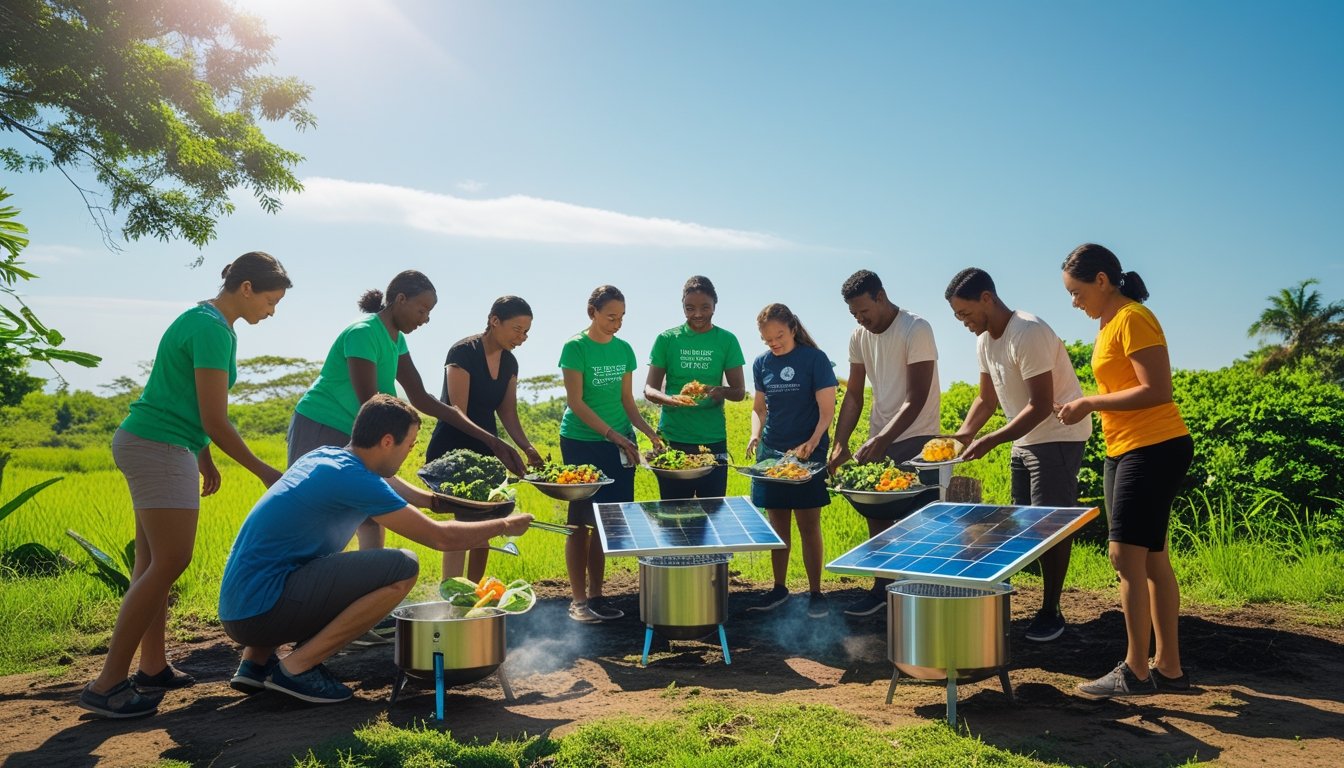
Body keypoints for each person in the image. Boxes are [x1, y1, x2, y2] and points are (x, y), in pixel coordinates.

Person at [78, 252, 291, 719]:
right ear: (248, 288)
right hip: (159, 445)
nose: (272, 311)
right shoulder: (212, 329)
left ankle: (152, 668)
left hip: (159, 440)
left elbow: (185, 400)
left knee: (153, 561)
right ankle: (106, 684)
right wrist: (262, 469)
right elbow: (214, 417)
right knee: (172, 560)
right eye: (272, 300)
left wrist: (204, 455)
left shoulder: (208, 321)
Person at [218, 395, 533, 704]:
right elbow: (441, 538)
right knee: (402, 567)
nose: (409, 453)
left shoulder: (329, 457)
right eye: (409, 446)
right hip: (260, 613)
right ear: (386, 441)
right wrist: (504, 526)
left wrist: (435, 501)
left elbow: (390, 481)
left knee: (309, 561)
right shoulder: (355, 480)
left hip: (242, 606)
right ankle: (296, 668)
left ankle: (255, 663)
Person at [289, 270, 525, 552]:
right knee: (317, 515)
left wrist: (492, 440)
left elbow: (422, 398)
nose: (425, 319)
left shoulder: (396, 339)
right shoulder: (363, 333)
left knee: (372, 517)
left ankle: (369, 580)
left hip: (360, 431)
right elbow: (372, 405)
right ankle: (301, 584)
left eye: (429, 313)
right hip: (323, 424)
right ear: (400, 299)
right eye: (422, 309)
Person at [1056, 243, 1193, 697]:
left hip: (1152, 446)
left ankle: (1135, 671)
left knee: (1125, 557)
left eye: (1076, 292)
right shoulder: (1108, 323)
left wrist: (1090, 403)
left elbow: (1158, 390)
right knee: (1151, 559)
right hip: (1126, 447)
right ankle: (1168, 668)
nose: (1074, 302)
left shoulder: (1133, 318)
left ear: (1101, 280)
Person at [944, 267, 1093, 642]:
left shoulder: (1027, 331)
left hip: (1058, 434)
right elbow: (986, 397)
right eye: (957, 316)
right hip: (1024, 439)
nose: (963, 322)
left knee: (1049, 526)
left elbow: (1042, 404)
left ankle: (1051, 611)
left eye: (965, 313)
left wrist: (992, 439)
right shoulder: (984, 341)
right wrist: (962, 435)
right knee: (1020, 524)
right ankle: (1014, 603)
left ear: (987, 299)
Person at [827, 270, 941, 619]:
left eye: (865, 311)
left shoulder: (915, 328)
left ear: (881, 296)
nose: (861, 319)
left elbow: (917, 396)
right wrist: (840, 443)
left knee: (918, 523)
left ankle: (920, 597)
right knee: (878, 514)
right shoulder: (859, 336)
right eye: (854, 315)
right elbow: (855, 396)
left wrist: (882, 438)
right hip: (883, 434)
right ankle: (881, 589)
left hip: (918, 438)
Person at [559, 285, 663, 623]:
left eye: (621, 318)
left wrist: (649, 434)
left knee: (605, 521)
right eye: (610, 317)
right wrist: (611, 434)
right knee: (580, 522)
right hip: (581, 441)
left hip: (620, 441)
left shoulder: (624, 350)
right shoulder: (575, 348)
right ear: (592, 312)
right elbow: (577, 402)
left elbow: (627, 402)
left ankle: (597, 596)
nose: (616, 324)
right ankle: (578, 601)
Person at [425, 296, 543, 582]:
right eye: (517, 329)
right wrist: (497, 444)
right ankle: (450, 593)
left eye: (526, 331)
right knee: (464, 523)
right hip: (454, 448)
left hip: (489, 448)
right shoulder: (463, 352)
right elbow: (457, 413)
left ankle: (472, 593)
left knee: (487, 524)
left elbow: (507, 411)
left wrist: (526, 447)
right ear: (494, 321)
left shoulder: (510, 362)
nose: (522, 337)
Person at [746, 303, 838, 619]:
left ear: (793, 329)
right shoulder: (762, 363)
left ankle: (815, 593)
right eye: (767, 339)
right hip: (772, 454)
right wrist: (755, 435)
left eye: (779, 336)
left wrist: (813, 442)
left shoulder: (815, 360)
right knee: (777, 523)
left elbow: (827, 410)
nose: (774, 343)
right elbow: (759, 409)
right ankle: (779, 588)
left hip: (808, 453)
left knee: (809, 524)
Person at [642, 276, 747, 499]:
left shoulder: (727, 340)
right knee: (674, 513)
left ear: (714, 306)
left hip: (712, 440)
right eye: (690, 308)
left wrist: (721, 391)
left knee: (713, 512)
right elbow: (649, 389)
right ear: (683, 307)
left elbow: (739, 392)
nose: (697, 314)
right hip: (673, 438)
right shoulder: (667, 339)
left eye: (705, 307)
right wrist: (672, 400)